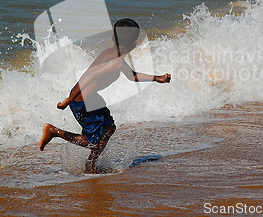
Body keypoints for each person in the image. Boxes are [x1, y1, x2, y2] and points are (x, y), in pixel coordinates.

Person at [39, 18, 171, 173]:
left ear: (113, 38)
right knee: (93, 142)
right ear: (135, 43)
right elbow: (88, 76)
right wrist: (69, 99)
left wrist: (157, 78)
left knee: (109, 128)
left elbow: (132, 76)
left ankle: (90, 165)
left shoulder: (114, 56)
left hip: (92, 99)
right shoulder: (114, 60)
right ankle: (54, 131)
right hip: (82, 102)